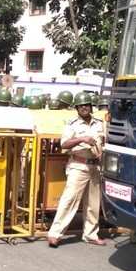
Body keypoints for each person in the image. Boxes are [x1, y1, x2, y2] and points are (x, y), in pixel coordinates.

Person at [47, 92, 107, 248]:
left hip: (95, 166)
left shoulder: (100, 123)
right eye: (81, 106)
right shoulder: (72, 124)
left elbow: (105, 140)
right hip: (78, 166)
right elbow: (64, 144)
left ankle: (91, 234)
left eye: (86, 105)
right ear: (76, 108)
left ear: (91, 106)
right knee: (69, 200)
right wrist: (81, 139)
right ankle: (55, 234)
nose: (84, 108)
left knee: (93, 204)